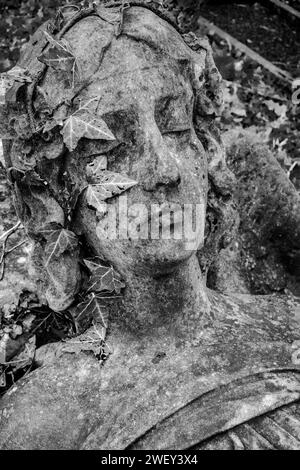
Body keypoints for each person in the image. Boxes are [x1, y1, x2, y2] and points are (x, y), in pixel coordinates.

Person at [0, 1, 300, 450]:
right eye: (114, 143)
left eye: (176, 126)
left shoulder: (291, 326)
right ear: (54, 194)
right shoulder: (42, 424)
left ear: (207, 149)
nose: (164, 168)